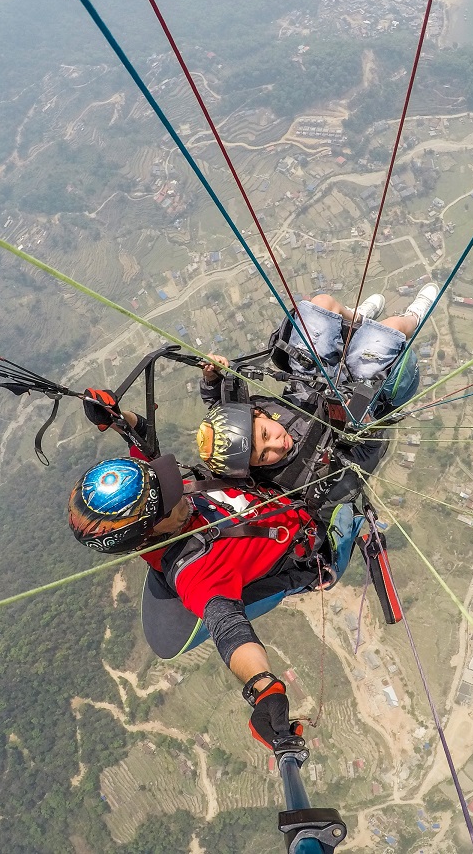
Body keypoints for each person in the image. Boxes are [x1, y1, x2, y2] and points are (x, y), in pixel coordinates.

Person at [70, 405, 361, 751]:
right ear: (148, 534)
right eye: (169, 501)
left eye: (165, 484)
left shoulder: (154, 499)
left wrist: (118, 417)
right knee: (362, 456)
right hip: (320, 536)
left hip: (277, 493)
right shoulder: (196, 572)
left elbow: (143, 439)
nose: (178, 490)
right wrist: (264, 687)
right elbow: (229, 629)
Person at [195, 284, 438, 501]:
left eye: (266, 434)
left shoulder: (244, 418)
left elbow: (218, 403)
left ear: (258, 414)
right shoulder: (301, 479)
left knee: (321, 304)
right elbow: (366, 457)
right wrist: (366, 427)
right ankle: (414, 317)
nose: (277, 445)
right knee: (389, 329)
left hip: (308, 381)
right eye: (264, 456)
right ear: (254, 468)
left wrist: (213, 376)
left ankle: (358, 318)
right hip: (356, 397)